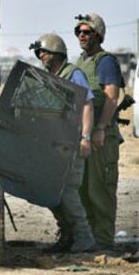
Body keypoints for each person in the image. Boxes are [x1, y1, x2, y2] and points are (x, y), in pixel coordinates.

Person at [29, 33, 96, 253]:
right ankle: (67, 236)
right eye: (39, 53)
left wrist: (85, 137)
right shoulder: (49, 76)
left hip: (72, 142)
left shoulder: (73, 74)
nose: (41, 56)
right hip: (55, 144)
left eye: (45, 52)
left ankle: (84, 237)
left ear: (57, 53)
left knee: (68, 191)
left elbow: (87, 105)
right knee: (52, 192)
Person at [74, 13, 124, 250]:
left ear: (98, 35)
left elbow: (112, 97)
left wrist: (101, 128)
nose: (82, 36)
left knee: (100, 189)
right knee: (82, 188)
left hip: (101, 135)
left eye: (87, 32)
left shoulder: (105, 61)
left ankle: (103, 242)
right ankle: (87, 239)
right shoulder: (81, 61)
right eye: (79, 32)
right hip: (84, 134)